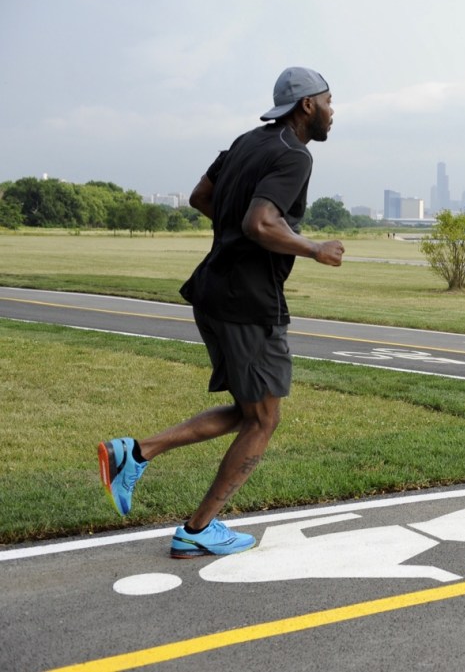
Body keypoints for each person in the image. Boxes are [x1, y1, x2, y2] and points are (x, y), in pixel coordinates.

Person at [98, 67, 345, 558]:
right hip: (248, 303)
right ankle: (197, 529)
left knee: (251, 410)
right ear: (307, 106)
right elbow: (260, 221)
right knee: (264, 420)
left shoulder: (247, 142)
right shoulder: (295, 155)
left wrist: (239, 233)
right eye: (329, 101)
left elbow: (200, 197)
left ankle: (137, 452)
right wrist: (313, 248)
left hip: (213, 290)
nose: (334, 112)